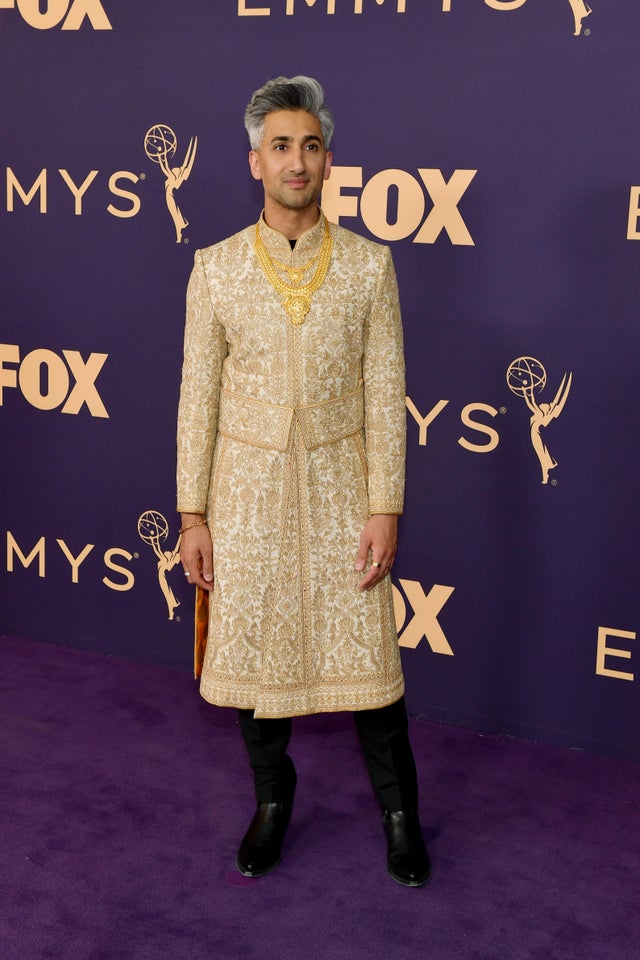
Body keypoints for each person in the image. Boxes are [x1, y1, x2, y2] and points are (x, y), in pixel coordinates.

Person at [176, 76, 430, 887]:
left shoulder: (368, 265)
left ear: (328, 162)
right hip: (242, 497)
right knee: (253, 666)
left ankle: (399, 816)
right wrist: (193, 515)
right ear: (256, 162)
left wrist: (384, 507)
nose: (297, 161)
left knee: (371, 672)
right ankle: (272, 801)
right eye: (281, 146)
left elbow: (388, 396)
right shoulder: (213, 270)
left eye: (310, 146)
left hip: (339, 497)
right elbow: (196, 401)